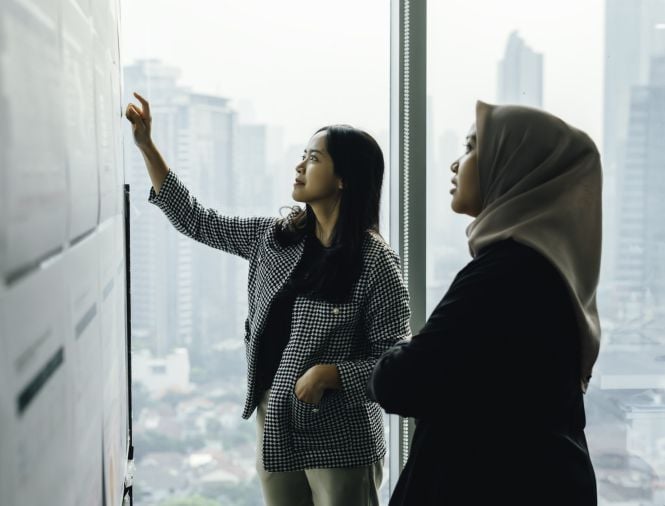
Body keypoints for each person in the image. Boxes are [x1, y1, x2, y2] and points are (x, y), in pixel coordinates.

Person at [125, 92, 411, 506]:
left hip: (341, 439)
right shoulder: (275, 239)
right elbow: (198, 220)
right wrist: (147, 147)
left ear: (344, 177)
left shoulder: (375, 261)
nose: (299, 165)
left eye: (313, 158)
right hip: (276, 423)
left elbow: (395, 360)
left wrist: (332, 374)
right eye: (302, 155)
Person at [368, 100, 602, 505]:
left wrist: (396, 353)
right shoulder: (548, 270)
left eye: (472, 147)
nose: (456, 164)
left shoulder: (505, 274)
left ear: (515, 166)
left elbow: (400, 382)